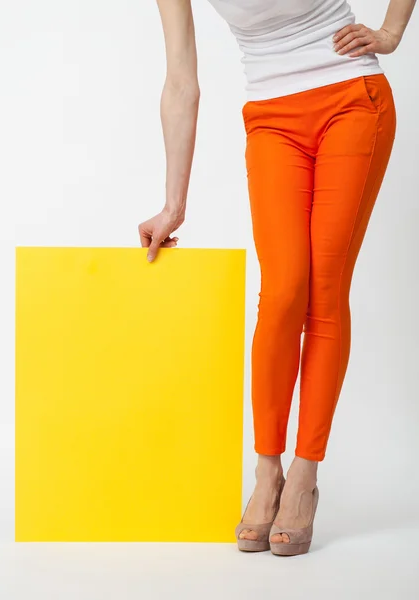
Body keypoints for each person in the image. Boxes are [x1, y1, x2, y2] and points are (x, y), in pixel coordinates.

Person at [138, 0, 416, 556]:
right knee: (284, 289)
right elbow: (180, 81)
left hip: (352, 100)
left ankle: (305, 475)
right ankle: (268, 472)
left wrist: (390, 32)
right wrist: (174, 203)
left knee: (324, 290)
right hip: (271, 115)